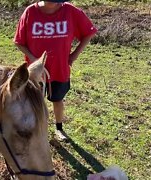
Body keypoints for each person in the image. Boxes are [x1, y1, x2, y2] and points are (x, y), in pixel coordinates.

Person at [14, 0, 97, 140]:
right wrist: (35, 60)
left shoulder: (70, 11)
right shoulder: (30, 12)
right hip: (36, 72)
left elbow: (89, 32)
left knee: (58, 99)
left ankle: (59, 128)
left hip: (60, 69)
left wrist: (74, 55)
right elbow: (19, 42)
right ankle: (37, 129)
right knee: (35, 101)